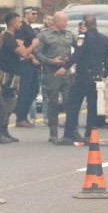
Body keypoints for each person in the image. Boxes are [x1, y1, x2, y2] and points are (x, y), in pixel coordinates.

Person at [60, 15, 108, 144]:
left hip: (82, 77)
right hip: (96, 77)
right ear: (96, 24)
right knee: (92, 106)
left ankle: (68, 135)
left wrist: (65, 67)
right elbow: (106, 58)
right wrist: (105, 74)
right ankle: (90, 134)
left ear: (85, 25)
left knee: (73, 106)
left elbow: (77, 54)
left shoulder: (83, 37)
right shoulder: (104, 39)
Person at [34, 11, 76, 142]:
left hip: (67, 72)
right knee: (53, 101)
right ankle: (53, 131)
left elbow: (79, 49)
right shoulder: (44, 35)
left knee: (69, 101)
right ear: (57, 22)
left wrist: (71, 62)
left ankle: (71, 130)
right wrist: (51, 61)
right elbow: (37, 53)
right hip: (51, 72)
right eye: (64, 21)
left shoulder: (70, 35)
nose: (66, 23)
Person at [15, 7, 42, 128]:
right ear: (26, 14)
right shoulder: (22, 29)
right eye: (33, 14)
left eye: (36, 14)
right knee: (25, 91)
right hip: (26, 63)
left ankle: (24, 115)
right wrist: (31, 57)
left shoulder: (31, 28)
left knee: (34, 89)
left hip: (34, 65)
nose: (35, 16)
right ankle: (20, 117)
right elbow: (20, 47)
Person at [0, 12, 26, 129]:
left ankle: (4, 130)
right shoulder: (8, 38)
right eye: (19, 22)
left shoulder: (13, 38)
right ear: (13, 23)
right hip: (8, 74)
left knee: (11, 102)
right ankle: (0, 129)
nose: (20, 24)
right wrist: (34, 45)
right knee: (8, 102)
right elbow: (23, 53)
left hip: (14, 73)